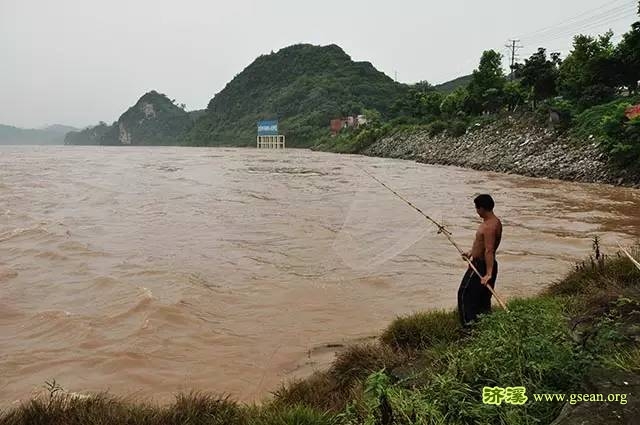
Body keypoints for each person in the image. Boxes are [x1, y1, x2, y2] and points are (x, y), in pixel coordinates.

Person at [457, 194, 502, 327]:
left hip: (481, 266)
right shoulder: (495, 222)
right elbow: (483, 245)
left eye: (477, 208)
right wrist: (471, 253)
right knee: (482, 298)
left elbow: (489, 250)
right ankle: (484, 325)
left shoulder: (489, 227)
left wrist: (488, 273)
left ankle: (468, 328)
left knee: (464, 294)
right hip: (485, 263)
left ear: (482, 209)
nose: (476, 211)